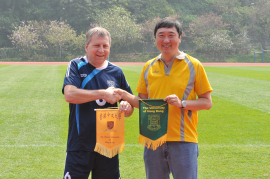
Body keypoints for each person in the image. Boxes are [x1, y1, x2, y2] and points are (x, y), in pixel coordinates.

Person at [115, 17, 213, 179]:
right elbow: (142, 103)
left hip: (183, 140)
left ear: (180, 38)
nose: (166, 40)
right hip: (153, 138)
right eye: (161, 35)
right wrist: (124, 94)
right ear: (155, 39)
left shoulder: (194, 65)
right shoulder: (148, 66)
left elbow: (207, 102)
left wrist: (182, 103)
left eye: (171, 35)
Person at [62, 27, 134, 179]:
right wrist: (103, 93)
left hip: (109, 144)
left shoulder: (116, 72)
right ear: (87, 47)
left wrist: (126, 107)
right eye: (96, 45)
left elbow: (129, 106)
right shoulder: (76, 65)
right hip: (80, 145)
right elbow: (70, 95)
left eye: (105, 46)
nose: (101, 50)